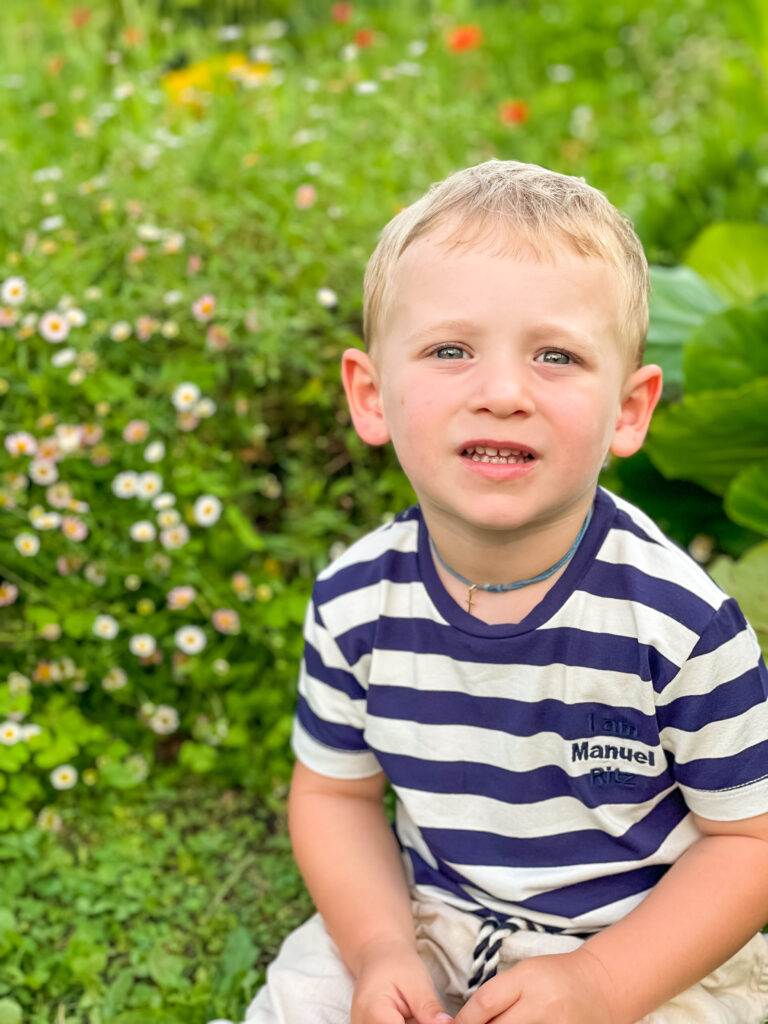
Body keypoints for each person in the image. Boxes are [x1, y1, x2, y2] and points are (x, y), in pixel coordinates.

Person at [241, 161, 768, 1024]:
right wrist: (380, 949)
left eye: (555, 356)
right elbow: (334, 795)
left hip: (648, 947)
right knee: (308, 997)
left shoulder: (679, 627)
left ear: (629, 412)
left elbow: (749, 844)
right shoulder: (355, 600)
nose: (501, 394)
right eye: (451, 350)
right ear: (371, 396)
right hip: (435, 919)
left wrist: (601, 984)